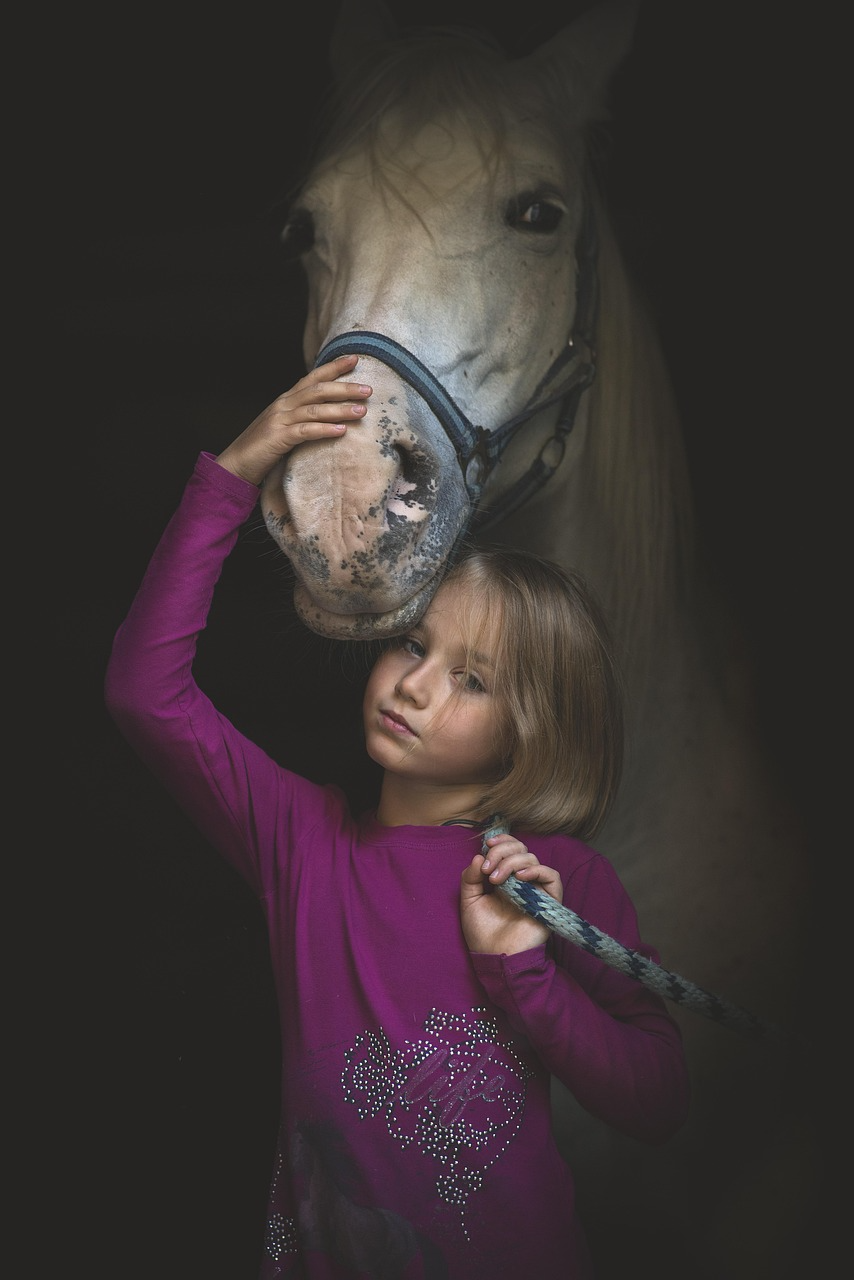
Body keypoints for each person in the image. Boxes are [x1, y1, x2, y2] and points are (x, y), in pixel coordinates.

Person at [105, 354, 690, 1279]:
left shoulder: (554, 881)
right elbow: (145, 691)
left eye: (472, 681)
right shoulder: (301, 839)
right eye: (415, 644)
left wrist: (528, 976)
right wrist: (236, 472)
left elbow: (658, 1102)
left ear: (527, 734)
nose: (413, 686)